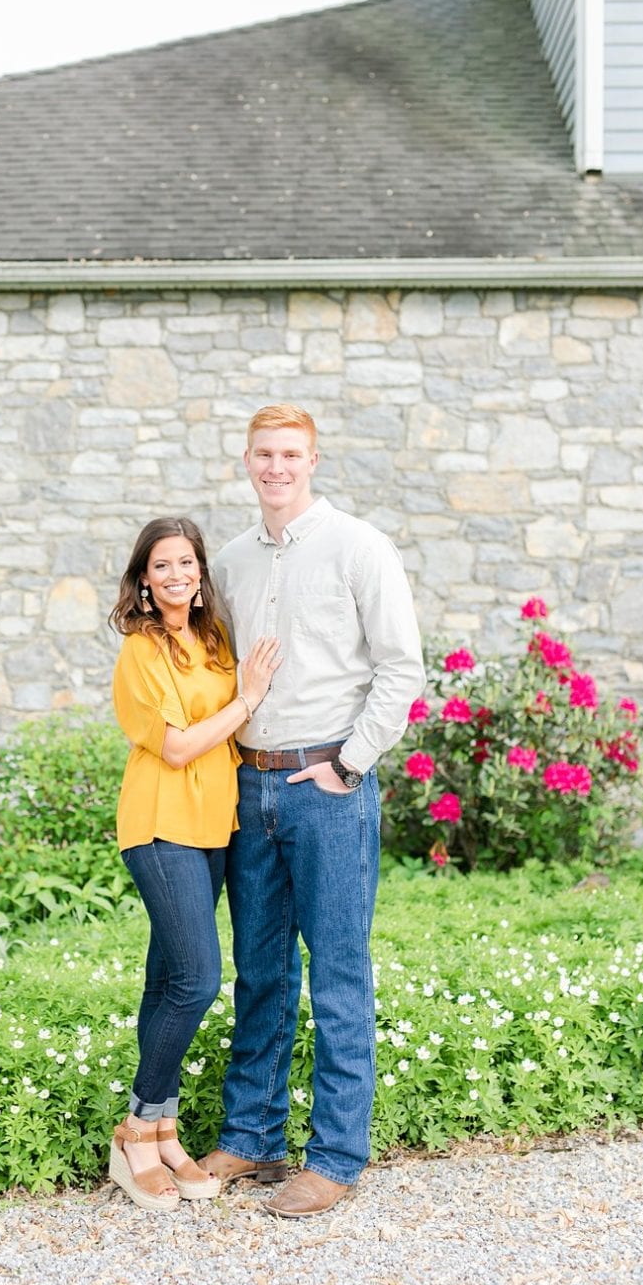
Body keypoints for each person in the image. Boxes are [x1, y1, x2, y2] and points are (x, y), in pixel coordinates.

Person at [198, 403, 424, 1219]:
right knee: (258, 971)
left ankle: (333, 1157)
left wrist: (350, 763)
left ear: (314, 460)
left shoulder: (359, 547)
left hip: (325, 788)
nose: (276, 467)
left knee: (336, 975)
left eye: (291, 453)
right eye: (264, 453)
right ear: (247, 461)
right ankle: (253, 1136)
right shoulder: (228, 562)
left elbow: (402, 670)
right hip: (249, 785)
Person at [107, 517, 281, 1212]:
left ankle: (164, 1133)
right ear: (144, 580)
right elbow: (177, 747)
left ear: (199, 573)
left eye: (187, 562)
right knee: (200, 980)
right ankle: (137, 1128)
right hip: (159, 825)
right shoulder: (140, 650)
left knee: (167, 979)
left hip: (214, 828)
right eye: (162, 565)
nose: (177, 574)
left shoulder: (210, 639)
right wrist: (248, 699)